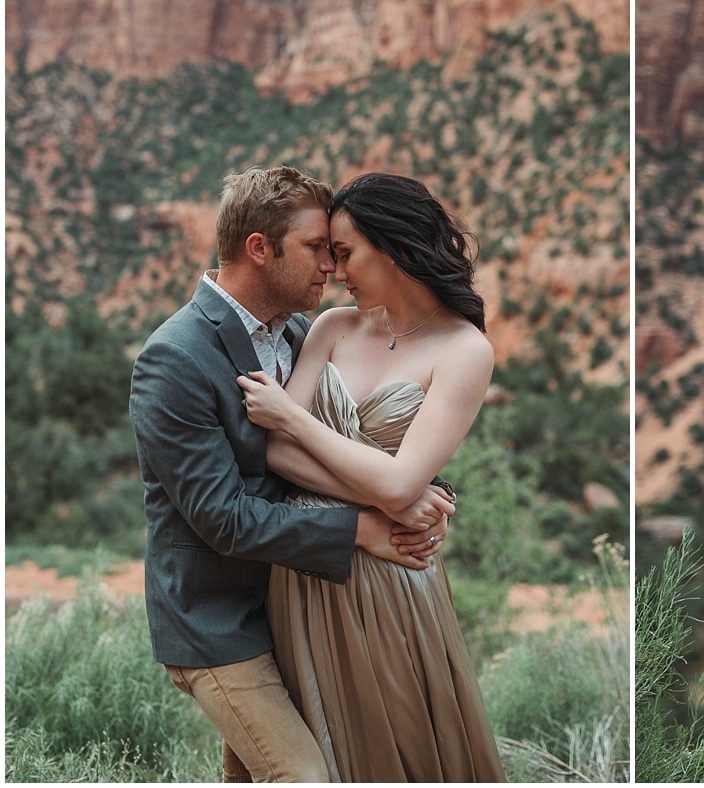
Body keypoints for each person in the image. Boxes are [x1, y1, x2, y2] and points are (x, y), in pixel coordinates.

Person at [132, 166, 451, 782]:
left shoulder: (306, 334)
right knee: (304, 777)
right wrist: (363, 528)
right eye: (314, 249)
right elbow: (224, 518)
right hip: (220, 621)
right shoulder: (173, 358)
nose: (329, 267)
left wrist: (420, 494)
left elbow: (342, 449)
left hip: (303, 611)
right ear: (259, 248)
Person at [236, 172, 505, 781]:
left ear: (396, 248)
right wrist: (392, 491)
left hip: (391, 577)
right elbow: (276, 456)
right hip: (304, 571)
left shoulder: (464, 351)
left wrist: (296, 422)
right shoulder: (333, 327)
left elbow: (391, 482)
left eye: (345, 251)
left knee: (399, 742)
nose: (333, 268)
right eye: (328, 251)